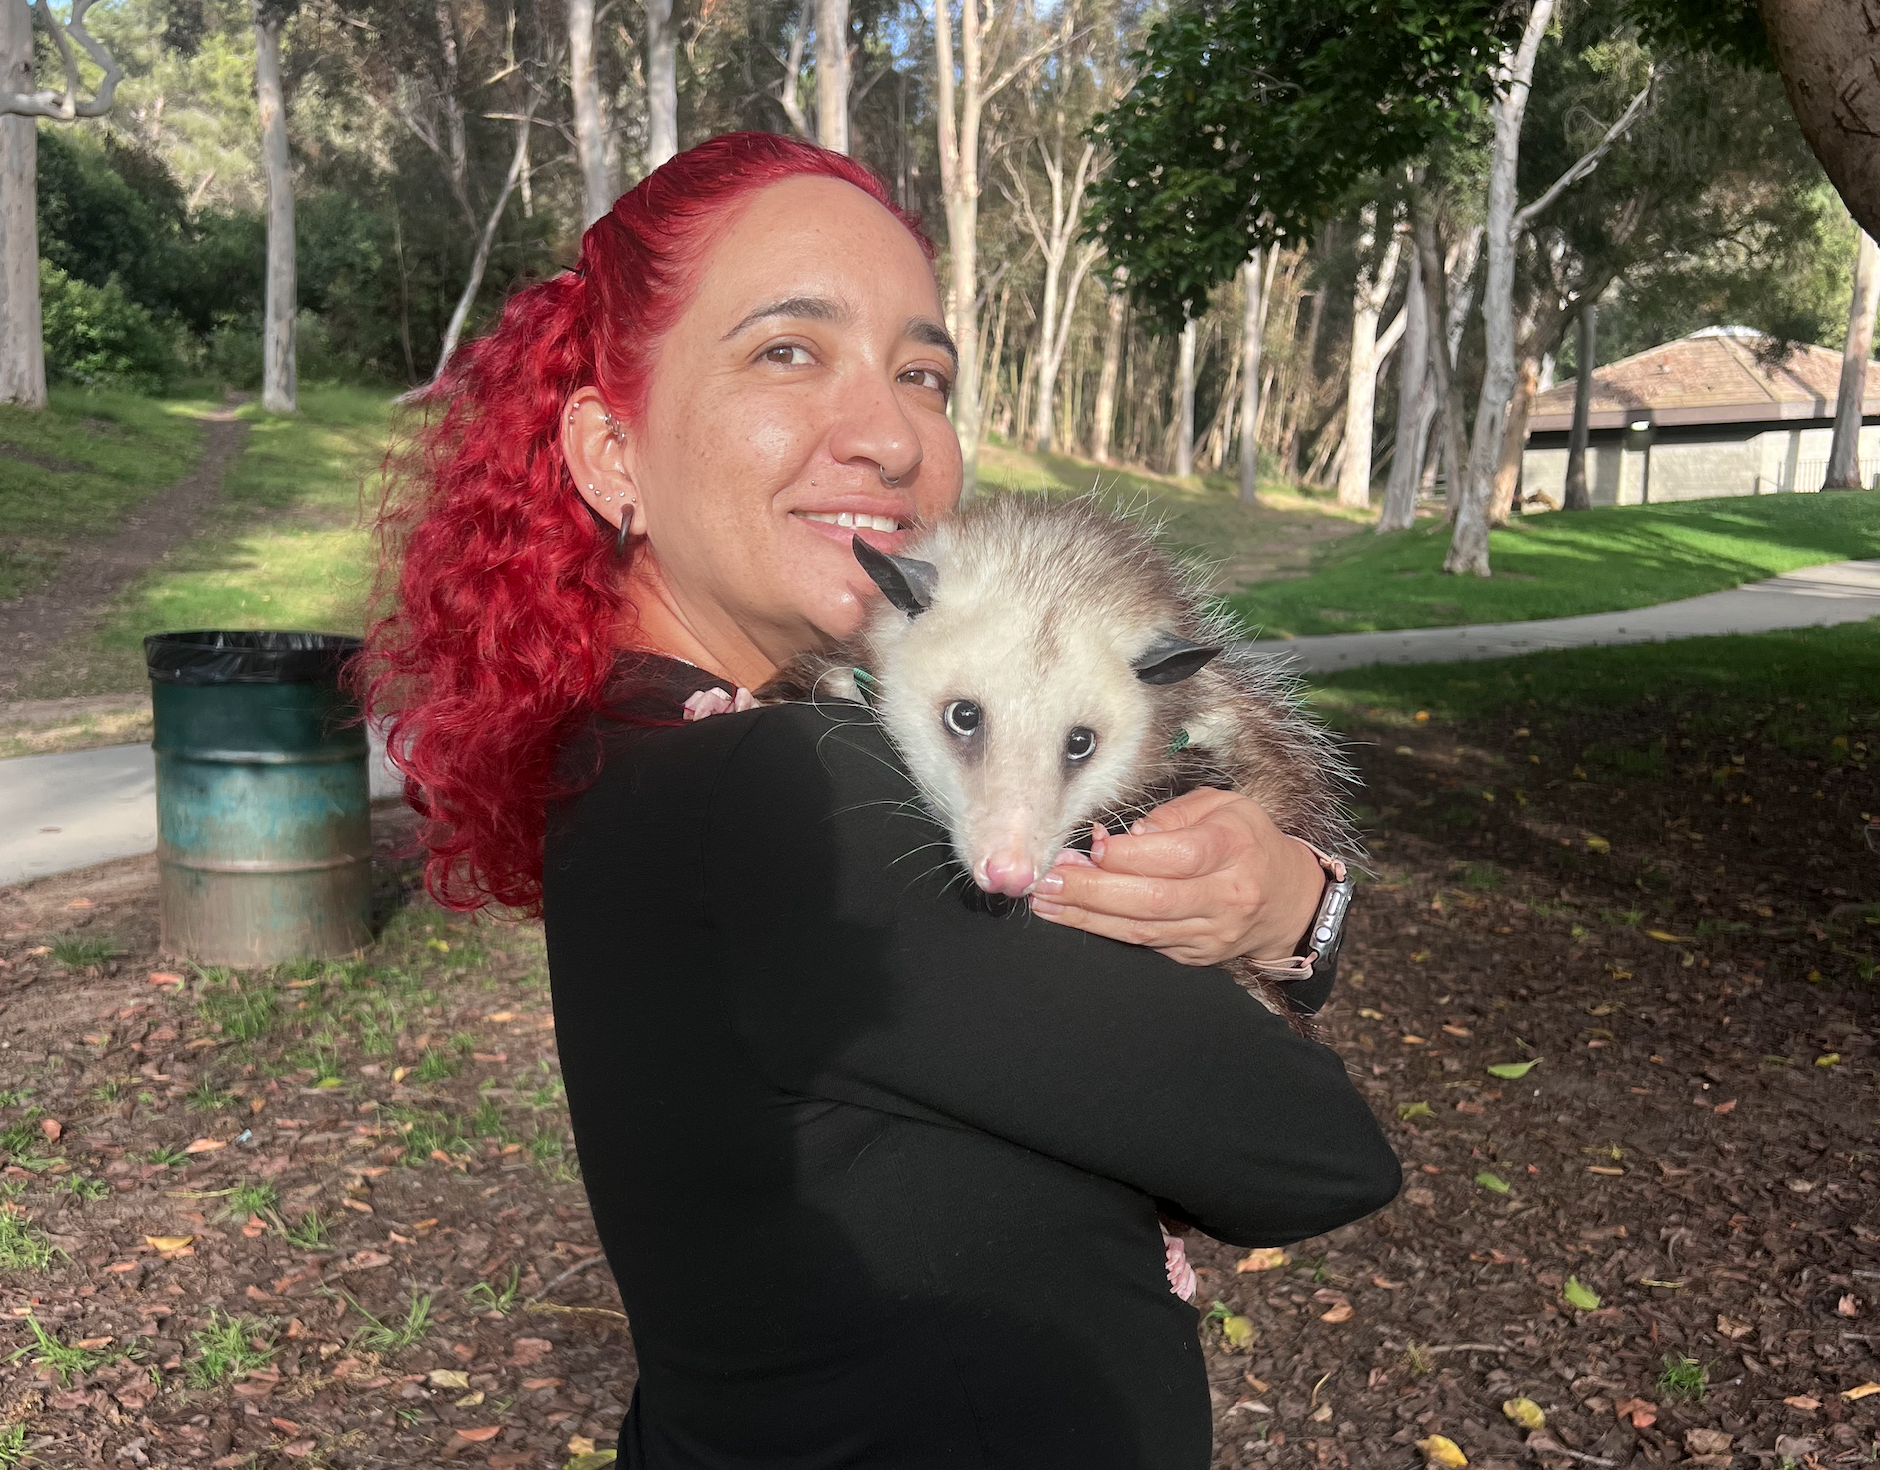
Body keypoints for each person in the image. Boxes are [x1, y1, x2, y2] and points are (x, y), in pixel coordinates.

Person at [364, 132, 1398, 1470]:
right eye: (788, 351)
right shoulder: (782, 786)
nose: (891, 433)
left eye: (926, 372)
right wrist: (1301, 918)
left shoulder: (640, 740)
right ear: (612, 452)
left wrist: (1276, 900)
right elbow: (1315, 1152)